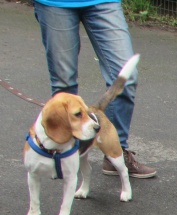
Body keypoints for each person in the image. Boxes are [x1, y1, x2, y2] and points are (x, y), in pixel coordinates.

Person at [33, 0, 156, 178]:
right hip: (55, 4)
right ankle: (65, 156)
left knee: (125, 78)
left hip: (103, 2)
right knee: (64, 86)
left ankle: (115, 152)